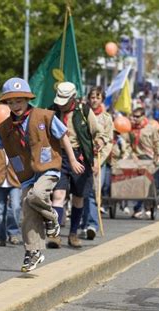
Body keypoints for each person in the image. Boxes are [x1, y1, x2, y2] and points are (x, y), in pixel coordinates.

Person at [0, 77, 84, 272]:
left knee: (37, 195)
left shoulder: (44, 116)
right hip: (26, 174)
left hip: (48, 168)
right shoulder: (5, 127)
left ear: (27, 99)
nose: (15, 105)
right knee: (28, 210)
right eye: (11, 102)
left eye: (19, 100)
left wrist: (73, 160)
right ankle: (33, 252)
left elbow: (63, 135)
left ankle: (52, 218)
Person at [51, 82, 106, 248]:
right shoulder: (52, 110)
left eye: (65, 101)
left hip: (80, 156)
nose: (61, 104)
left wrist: (100, 141)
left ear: (73, 98)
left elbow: (98, 131)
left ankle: (73, 233)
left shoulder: (84, 111)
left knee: (78, 197)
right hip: (59, 156)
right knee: (58, 195)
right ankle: (55, 234)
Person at [81, 87, 113, 240]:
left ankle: (92, 224)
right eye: (92, 97)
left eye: (97, 97)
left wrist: (98, 162)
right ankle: (83, 222)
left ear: (102, 99)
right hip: (82, 159)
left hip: (98, 160)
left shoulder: (106, 118)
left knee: (94, 193)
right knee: (81, 192)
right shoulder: (81, 114)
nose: (94, 100)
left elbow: (109, 141)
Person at [126, 106, 159, 218]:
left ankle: (143, 207)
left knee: (146, 183)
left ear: (143, 116)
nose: (135, 119)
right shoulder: (130, 129)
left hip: (148, 158)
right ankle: (135, 206)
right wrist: (131, 155)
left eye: (137, 117)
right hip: (134, 158)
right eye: (133, 116)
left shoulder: (150, 128)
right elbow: (127, 144)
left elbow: (157, 142)